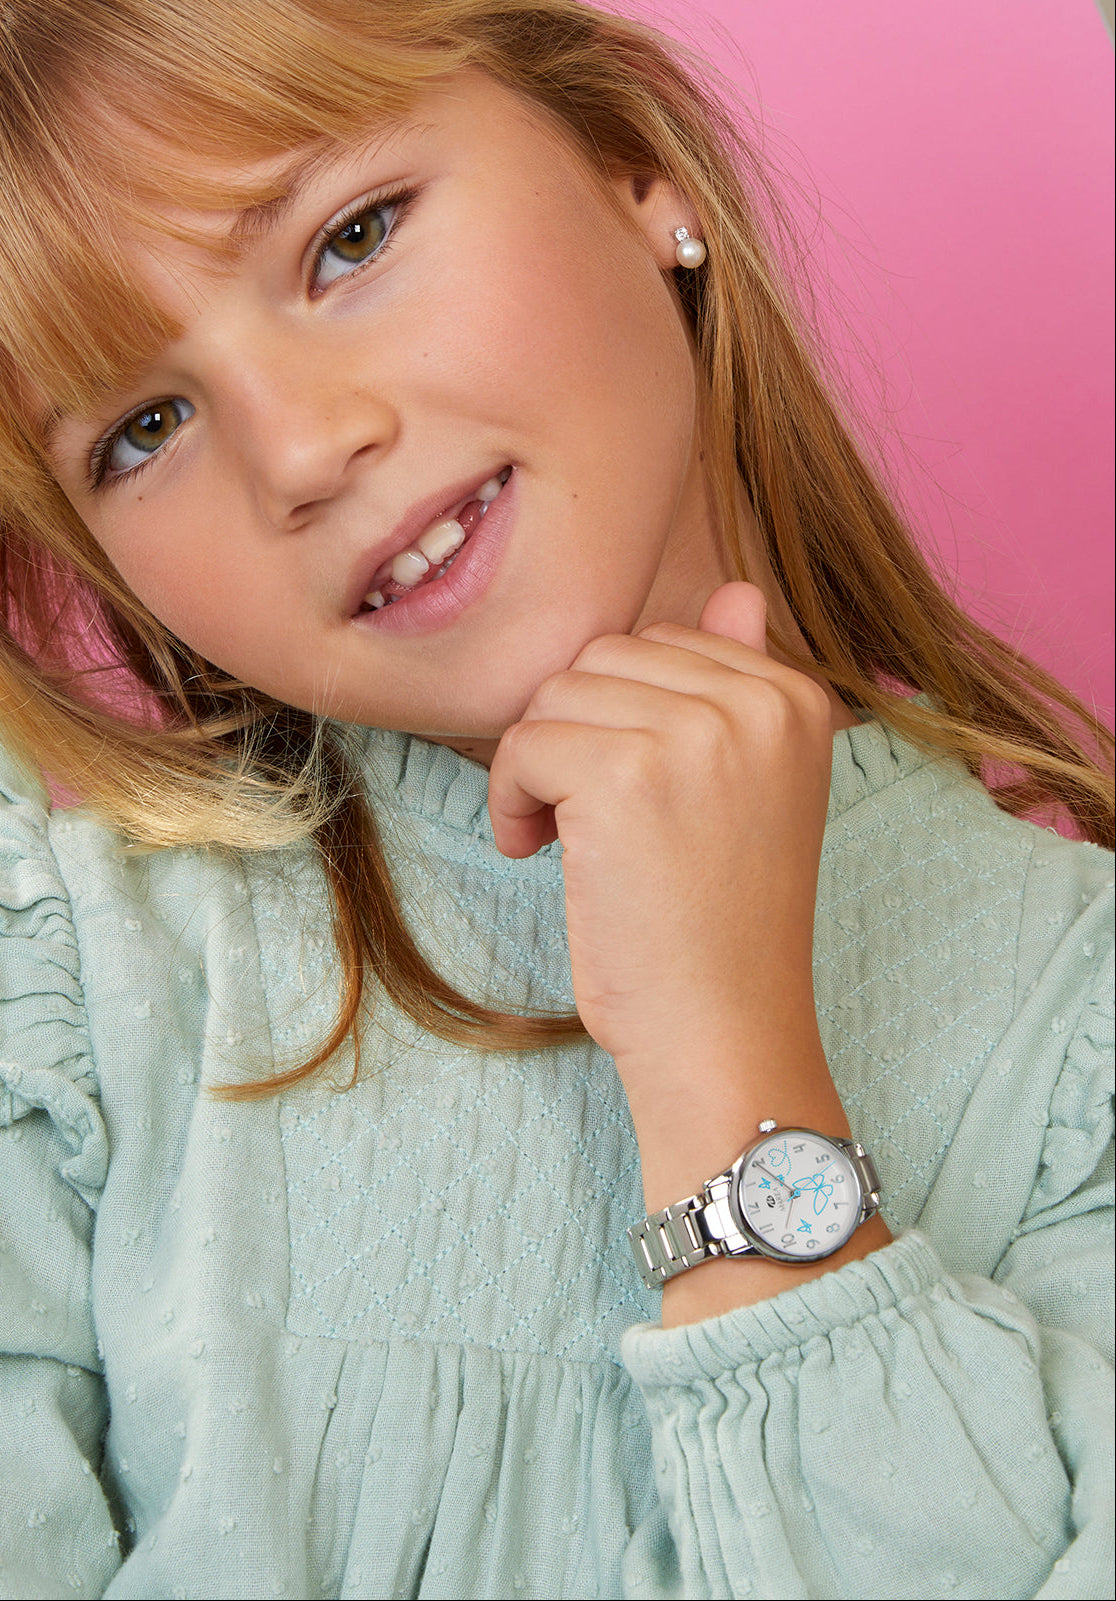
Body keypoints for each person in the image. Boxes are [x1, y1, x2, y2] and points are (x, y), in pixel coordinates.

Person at [0, 0, 1111, 1595]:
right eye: (142, 429)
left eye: (353, 237)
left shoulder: (1079, 1030)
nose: (301, 452)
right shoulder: (72, 1002)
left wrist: (731, 1065)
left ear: (635, 170)